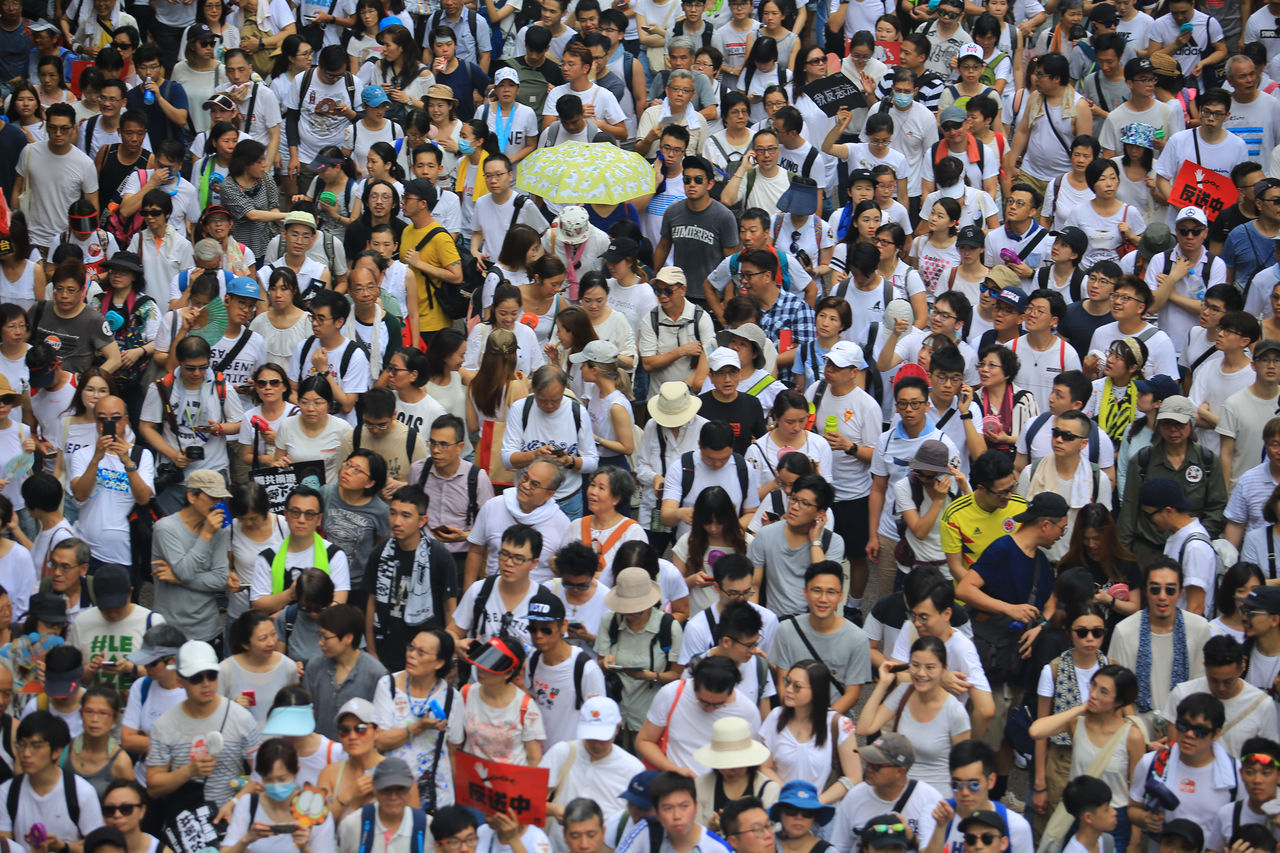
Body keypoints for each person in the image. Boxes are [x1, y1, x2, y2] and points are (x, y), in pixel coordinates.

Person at [146, 641, 261, 809]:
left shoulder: (242, 718)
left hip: (231, 818)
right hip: (186, 818)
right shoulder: (164, 725)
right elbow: (153, 787)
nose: (206, 683)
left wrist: (234, 804)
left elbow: (262, 775)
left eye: (212, 675)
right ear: (179, 681)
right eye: (196, 678)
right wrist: (189, 771)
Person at [138, 336, 244, 514]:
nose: (197, 373)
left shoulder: (222, 387)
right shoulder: (162, 388)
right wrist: (173, 455)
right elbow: (146, 427)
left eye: (203, 367)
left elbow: (239, 423)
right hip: (174, 475)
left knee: (216, 527)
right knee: (171, 528)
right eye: (190, 368)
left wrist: (220, 429)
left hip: (213, 473)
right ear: (179, 363)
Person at [1116, 395, 1228, 561]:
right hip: (1148, 551)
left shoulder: (1207, 461)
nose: (1173, 429)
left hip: (1190, 551)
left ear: (1191, 424)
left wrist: (1198, 538)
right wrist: (1123, 556)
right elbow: (1129, 509)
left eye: (1180, 424)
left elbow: (1217, 507)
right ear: (1159, 425)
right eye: (1167, 423)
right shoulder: (1142, 461)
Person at [1108, 559, 1214, 730]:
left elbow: (1201, 685)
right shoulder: (1124, 631)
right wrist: (1139, 735)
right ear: (1145, 591)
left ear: (1181, 592)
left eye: (1170, 590)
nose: (1162, 597)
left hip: (1185, 729)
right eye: (1155, 589)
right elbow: (1118, 690)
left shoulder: (1199, 628)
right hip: (1135, 730)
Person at [370, 628, 463, 812]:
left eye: (421, 652)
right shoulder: (388, 686)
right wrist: (418, 727)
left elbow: (453, 752)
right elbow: (379, 741)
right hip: (393, 790)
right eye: (411, 648)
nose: (411, 655)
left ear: (439, 663)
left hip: (437, 796)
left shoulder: (452, 698)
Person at [150, 470, 231, 648]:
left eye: (220, 499)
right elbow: (185, 571)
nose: (218, 505)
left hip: (208, 628)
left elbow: (220, 580)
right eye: (212, 498)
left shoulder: (221, 530)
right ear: (192, 496)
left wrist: (178, 579)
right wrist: (206, 535)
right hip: (170, 630)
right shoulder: (165, 528)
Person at [0, 711, 103, 849]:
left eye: (36, 746)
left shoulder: (82, 792)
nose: (26, 753)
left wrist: (61, 847)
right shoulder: (7, 792)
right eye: (22, 745)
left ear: (56, 751)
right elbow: (4, 845)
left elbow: (98, 847)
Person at [13, 104, 98, 257]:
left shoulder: (85, 163)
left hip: (67, 242)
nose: (58, 133)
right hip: (33, 240)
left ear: (74, 128)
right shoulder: (30, 152)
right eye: (53, 128)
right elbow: (17, 191)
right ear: (47, 127)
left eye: (64, 128)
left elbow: (92, 206)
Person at [66, 564, 160, 692]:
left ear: (130, 592)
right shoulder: (82, 622)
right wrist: (89, 670)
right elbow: (72, 675)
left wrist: (132, 669)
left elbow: (168, 675)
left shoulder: (153, 622)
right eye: (106, 607)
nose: (112, 614)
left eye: (118, 606)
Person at [302, 606, 388, 739]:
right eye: (319, 636)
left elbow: (381, 723)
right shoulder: (315, 666)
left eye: (325, 637)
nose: (320, 643)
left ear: (348, 638)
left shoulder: (376, 674)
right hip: (321, 749)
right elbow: (306, 711)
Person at [614, 772, 733, 853]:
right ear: (657, 813)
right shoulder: (646, 830)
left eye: (684, 806)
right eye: (668, 808)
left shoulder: (717, 848)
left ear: (696, 807)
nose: (677, 816)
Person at [334, 757, 427, 853]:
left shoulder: (426, 827)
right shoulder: (352, 825)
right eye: (385, 789)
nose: (393, 797)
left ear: (411, 789)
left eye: (400, 789)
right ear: (374, 789)